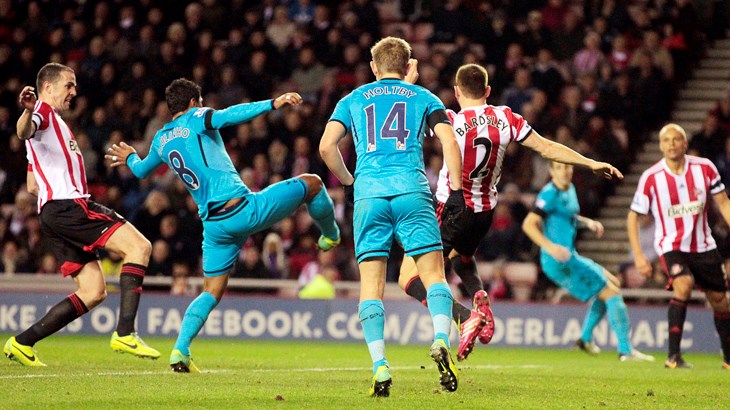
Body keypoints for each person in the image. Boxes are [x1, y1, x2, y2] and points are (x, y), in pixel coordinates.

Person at [107, 78, 340, 373]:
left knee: (211, 292)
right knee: (314, 184)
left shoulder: (161, 139)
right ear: (194, 102)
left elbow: (140, 171)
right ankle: (330, 236)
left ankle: (180, 350)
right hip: (243, 210)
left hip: (215, 226)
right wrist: (272, 103)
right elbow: (230, 115)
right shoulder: (198, 118)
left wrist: (129, 158)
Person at [398, 63, 625, 361]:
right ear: (488, 91)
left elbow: (403, 112)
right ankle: (480, 299)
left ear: (456, 92)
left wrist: (409, 83)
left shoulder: (448, 119)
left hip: (450, 208)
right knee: (461, 259)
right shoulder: (506, 118)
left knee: (410, 277)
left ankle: (464, 317)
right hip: (485, 213)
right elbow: (546, 148)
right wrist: (590, 163)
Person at [319, 37, 463, 397]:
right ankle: (442, 339)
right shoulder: (425, 97)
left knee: (372, 286)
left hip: (369, 194)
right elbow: (449, 141)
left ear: (373, 66)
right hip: (412, 190)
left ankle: (380, 366)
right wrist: (457, 190)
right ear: (408, 64)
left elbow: (325, 146)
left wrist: (349, 182)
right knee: (433, 274)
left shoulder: (352, 99)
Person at [4, 63, 159, 367]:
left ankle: (22, 343)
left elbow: (32, 185)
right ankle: (125, 333)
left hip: (53, 213)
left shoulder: (53, 129)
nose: (74, 91)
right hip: (70, 206)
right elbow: (25, 129)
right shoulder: (44, 113)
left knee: (93, 291)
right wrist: (26, 111)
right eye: (68, 85)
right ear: (47, 88)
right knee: (140, 247)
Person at [523, 161, 654, 362]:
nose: (565, 171)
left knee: (613, 283)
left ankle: (584, 339)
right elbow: (529, 224)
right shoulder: (549, 193)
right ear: (551, 171)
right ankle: (626, 351)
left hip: (571, 256)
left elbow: (568, 217)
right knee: (611, 292)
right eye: (559, 167)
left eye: (567, 167)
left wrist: (588, 223)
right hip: (558, 261)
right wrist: (550, 247)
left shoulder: (571, 189)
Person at [627, 123, 730, 369]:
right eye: (666, 140)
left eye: (676, 139)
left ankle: (727, 358)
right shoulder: (651, 178)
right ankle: (673, 357)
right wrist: (639, 256)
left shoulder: (705, 169)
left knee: (720, 300)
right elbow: (633, 217)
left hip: (703, 245)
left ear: (685, 143)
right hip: (671, 245)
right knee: (683, 285)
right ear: (661, 146)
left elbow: (724, 203)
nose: (671, 144)